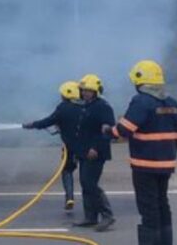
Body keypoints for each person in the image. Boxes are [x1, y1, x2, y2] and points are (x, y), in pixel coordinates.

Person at [105, 60, 177, 245]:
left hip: (145, 165)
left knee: (148, 208)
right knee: (162, 205)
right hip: (167, 164)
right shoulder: (173, 103)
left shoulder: (141, 102)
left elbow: (123, 130)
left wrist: (107, 131)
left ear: (139, 81)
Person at [23, 81, 84, 211]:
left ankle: (69, 197)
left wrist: (32, 125)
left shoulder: (63, 107)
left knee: (67, 171)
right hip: (85, 146)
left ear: (66, 95)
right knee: (86, 174)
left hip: (70, 148)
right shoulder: (85, 107)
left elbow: (48, 121)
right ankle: (89, 200)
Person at [75, 73, 115, 231]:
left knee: (90, 183)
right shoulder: (84, 106)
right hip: (84, 151)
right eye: (83, 90)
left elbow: (106, 131)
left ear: (96, 91)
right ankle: (90, 217)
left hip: (96, 152)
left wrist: (95, 148)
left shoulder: (103, 107)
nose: (85, 93)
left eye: (88, 90)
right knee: (85, 183)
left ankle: (107, 215)